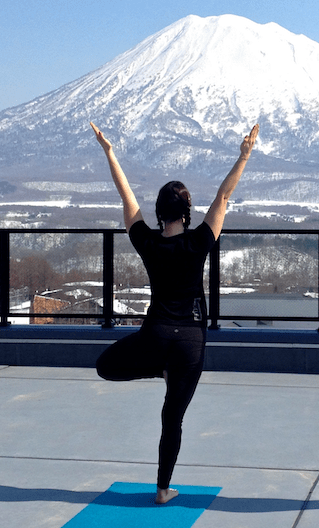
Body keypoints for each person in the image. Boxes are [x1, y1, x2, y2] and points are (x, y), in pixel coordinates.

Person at [91, 121, 259, 504]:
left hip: (154, 337)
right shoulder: (199, 240)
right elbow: (224, 197)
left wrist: (110, 153)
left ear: (159, 212)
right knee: (173, 420)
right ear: (186, 212)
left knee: (105, 365)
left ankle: (157, 367)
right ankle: (163, 488)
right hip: (191, 344)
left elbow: (126, 197)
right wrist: (244, 155)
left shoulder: (147, 242)